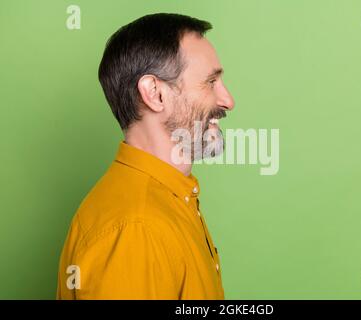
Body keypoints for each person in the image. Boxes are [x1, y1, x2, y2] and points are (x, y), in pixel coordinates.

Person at [57, 13, 235, 299]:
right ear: (155, 93)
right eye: (210, 82)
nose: (228, 100)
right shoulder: (135, 230)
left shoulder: (171, 199)